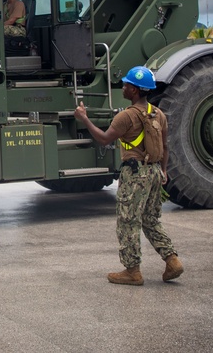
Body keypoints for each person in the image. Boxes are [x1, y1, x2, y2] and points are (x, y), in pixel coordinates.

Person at [73, 65, 184, 285]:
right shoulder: (158, 113)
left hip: (134, 174)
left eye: (126, 85)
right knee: (150, 220)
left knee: (128, 222)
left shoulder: (126, 117)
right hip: (153, 171)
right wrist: (163, 170)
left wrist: (84, 119)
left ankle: (132, 271)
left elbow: (104, 139)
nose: (122, 87)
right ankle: (172, 260)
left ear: (134, 90)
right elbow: (165, 146)